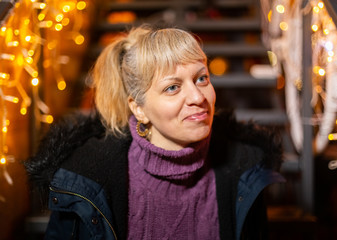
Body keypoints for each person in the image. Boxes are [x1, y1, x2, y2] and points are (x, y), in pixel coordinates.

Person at [25, 25, 285, 240]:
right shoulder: (86, 179)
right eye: (172, 87)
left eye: (202, 78)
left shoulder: (245, 170)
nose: (197, 96)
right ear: (139, 109)